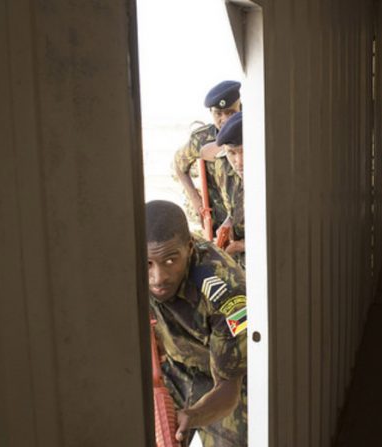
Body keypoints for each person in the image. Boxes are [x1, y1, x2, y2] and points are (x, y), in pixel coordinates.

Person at [145, 200, 247, 447]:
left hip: (221, 377)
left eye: (171, 261)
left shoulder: (228, 294)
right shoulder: (122, 266)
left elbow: (229, 387)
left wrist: (192, 416)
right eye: (148, 263)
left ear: (189, 249)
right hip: (171, 366)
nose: (158, 278)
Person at [173, 80, 242, 231]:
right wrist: (196, 201)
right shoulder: (202, 139)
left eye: (230, 112)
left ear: (240, 108)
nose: (224, 119)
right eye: (218, 113)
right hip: (218, 224)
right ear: (211, 113)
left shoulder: (252, 132)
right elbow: (178, 164)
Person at [212, 112, 245, 268]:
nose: (239, 162)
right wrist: (228, 223)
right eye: (232, 153)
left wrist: (242, 246)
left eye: (245, 151)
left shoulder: (279, 179)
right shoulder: (224, 168)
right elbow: (235, 208)